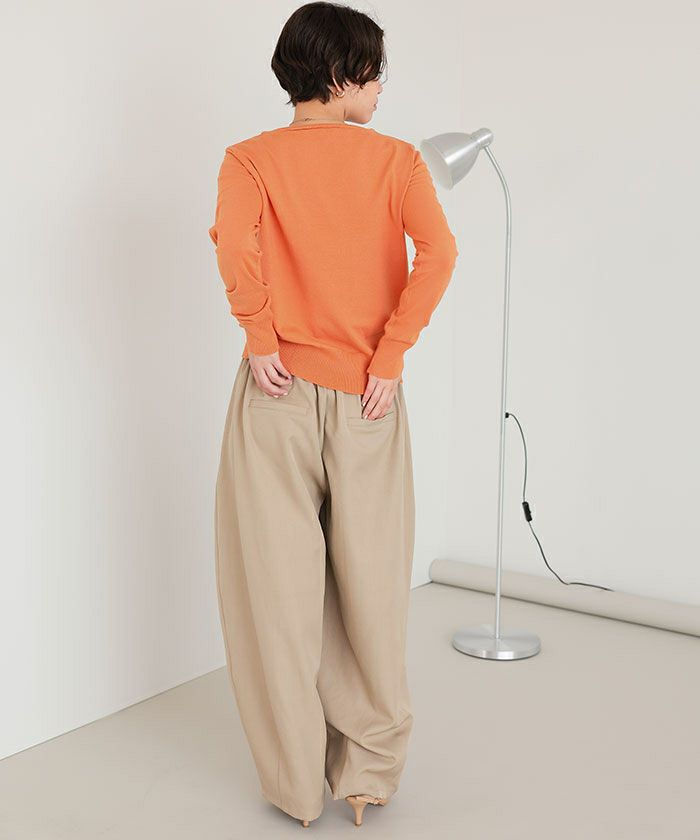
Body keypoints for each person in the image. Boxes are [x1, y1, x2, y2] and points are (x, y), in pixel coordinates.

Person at [208, 1, 458, 829]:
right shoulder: (397, 163)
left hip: (274, 392)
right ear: (344, 74)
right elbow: (440, 254)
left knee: (273, 597)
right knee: (372, 589)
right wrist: (389, 356)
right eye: (376, 74)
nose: (382, 90)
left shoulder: (248, 160)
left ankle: (292, 787)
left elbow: (234, 246)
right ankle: (367, 776)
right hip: (369, 400)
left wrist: (259, 336)